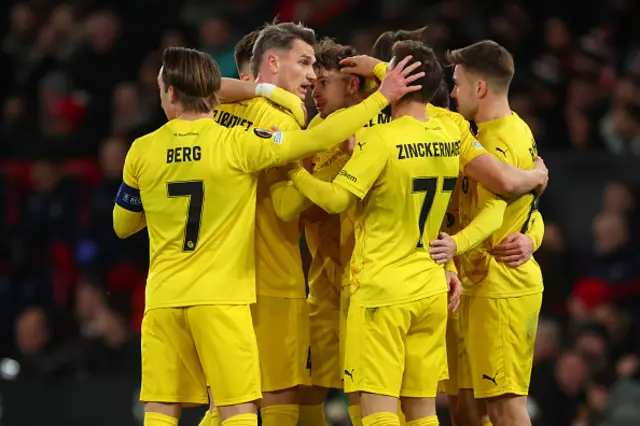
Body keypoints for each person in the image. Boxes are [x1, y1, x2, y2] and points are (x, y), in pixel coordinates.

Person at [112, 45, 422, 426]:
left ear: (172, 93)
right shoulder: (237, 144)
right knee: (238, 409)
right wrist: (381, 99)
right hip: (221, 299)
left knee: (160, 409)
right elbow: (314, 139)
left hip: (162, 300)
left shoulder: (141, 150)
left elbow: (123, 225)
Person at [282, 39, 461, 426]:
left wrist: (294, 171)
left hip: (378, 283)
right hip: (423, 281)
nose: (314, 89)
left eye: (324, 81)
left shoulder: (376, 137)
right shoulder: (448, 133)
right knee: (419, 408)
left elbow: (335, 200)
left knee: (373, 404)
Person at [214, 21, 317, 426]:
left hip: (221, 281)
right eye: (304, 62)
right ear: (272, 62)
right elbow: (287, 206)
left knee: (227, 403)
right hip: (274, 278)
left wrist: (260, 88)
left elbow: (188, 82)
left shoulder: (219, 109)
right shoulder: (285, 122)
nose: (311, 75)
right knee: (278, 399)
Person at [436, 40, 545, 426]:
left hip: (502, 288)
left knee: (504, 406)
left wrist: (453, 247)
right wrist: (535, 235)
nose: (452, 92)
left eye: (458, 83)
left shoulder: (501, 140)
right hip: (475, 286)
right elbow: (531, 205)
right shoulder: (493, 132)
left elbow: (496, 214)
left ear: (479, 88)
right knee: (467, 408)